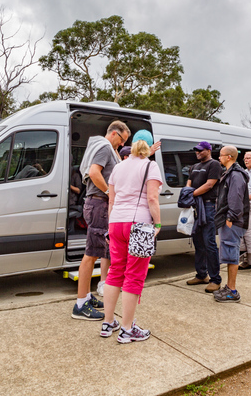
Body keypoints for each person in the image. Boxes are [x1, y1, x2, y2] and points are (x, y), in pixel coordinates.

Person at [100, 129, 162, 342]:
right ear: (150, 146)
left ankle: (108, 323)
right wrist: (159, 223)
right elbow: (152, 198)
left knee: (115, 270)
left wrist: (110, 225)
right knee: (134, 274)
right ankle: (127, 329)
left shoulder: (118, 167)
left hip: (116, 222)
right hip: (139, 224)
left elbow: (111, 200)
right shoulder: (150, 166)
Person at [71, 120, 131, 320]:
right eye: (122, 140)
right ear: (114, 133)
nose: (122, 145)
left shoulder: (100, 146)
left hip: (97, 204)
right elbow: (94, 172)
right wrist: (109, 193)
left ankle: (87, 296)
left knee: (95, 252)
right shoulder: (105, 147)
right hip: (99, 204)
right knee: (91, 254)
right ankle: (80, 305)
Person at [213, 145, 250, 303]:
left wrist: (230, 219)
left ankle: (232, 290)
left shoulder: (235, 175)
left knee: (232, 254)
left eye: (221, 155)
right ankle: (229, 287)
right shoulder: (229, 173)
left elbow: (235, 200)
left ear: (229, 157)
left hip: (232, 222)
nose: (219, 158)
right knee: (228, 254)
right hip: (228, 220)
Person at [185, 141, 222, 293]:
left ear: (208, 150)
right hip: (196, 206)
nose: (198, 153)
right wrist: (187, 193)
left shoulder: (214, 165)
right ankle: (201, 275)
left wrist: (190, 194)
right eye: (196, 151)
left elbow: (209, 185)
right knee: (198, 240)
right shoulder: (194, 167)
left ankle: (215, 279)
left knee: (209, 242)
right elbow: (189, 183)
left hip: (208, 206)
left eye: (201, 150)